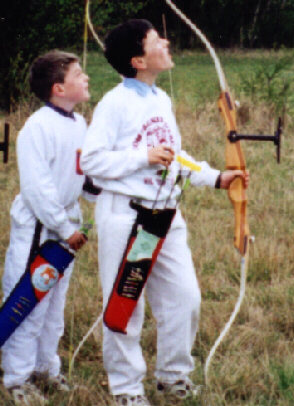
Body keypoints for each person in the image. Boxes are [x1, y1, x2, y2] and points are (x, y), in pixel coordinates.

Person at [81, 19, 249, 406]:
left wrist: (215, 177)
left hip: (164, 214)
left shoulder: (160, 100)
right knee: (126, 304)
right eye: (158, 41)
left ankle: (173, 377)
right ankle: (126, 389)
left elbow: (175, 155)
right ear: (138, 60)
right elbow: (91, 160)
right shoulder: (114, 104)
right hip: (126, 216)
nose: (167, 43)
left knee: (184, 298)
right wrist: (142, 157)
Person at [1, 50, 91, 405]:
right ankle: (17, 377)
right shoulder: (36, 127)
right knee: (29, 300)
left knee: (54, 307)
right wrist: (62, 225)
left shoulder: (80, 123)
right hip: (40, 230)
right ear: (58, 87)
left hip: (66, 229)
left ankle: (45, 368)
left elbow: (84, 174)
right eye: (78, 74)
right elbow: (38, 188)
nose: (85, 78)